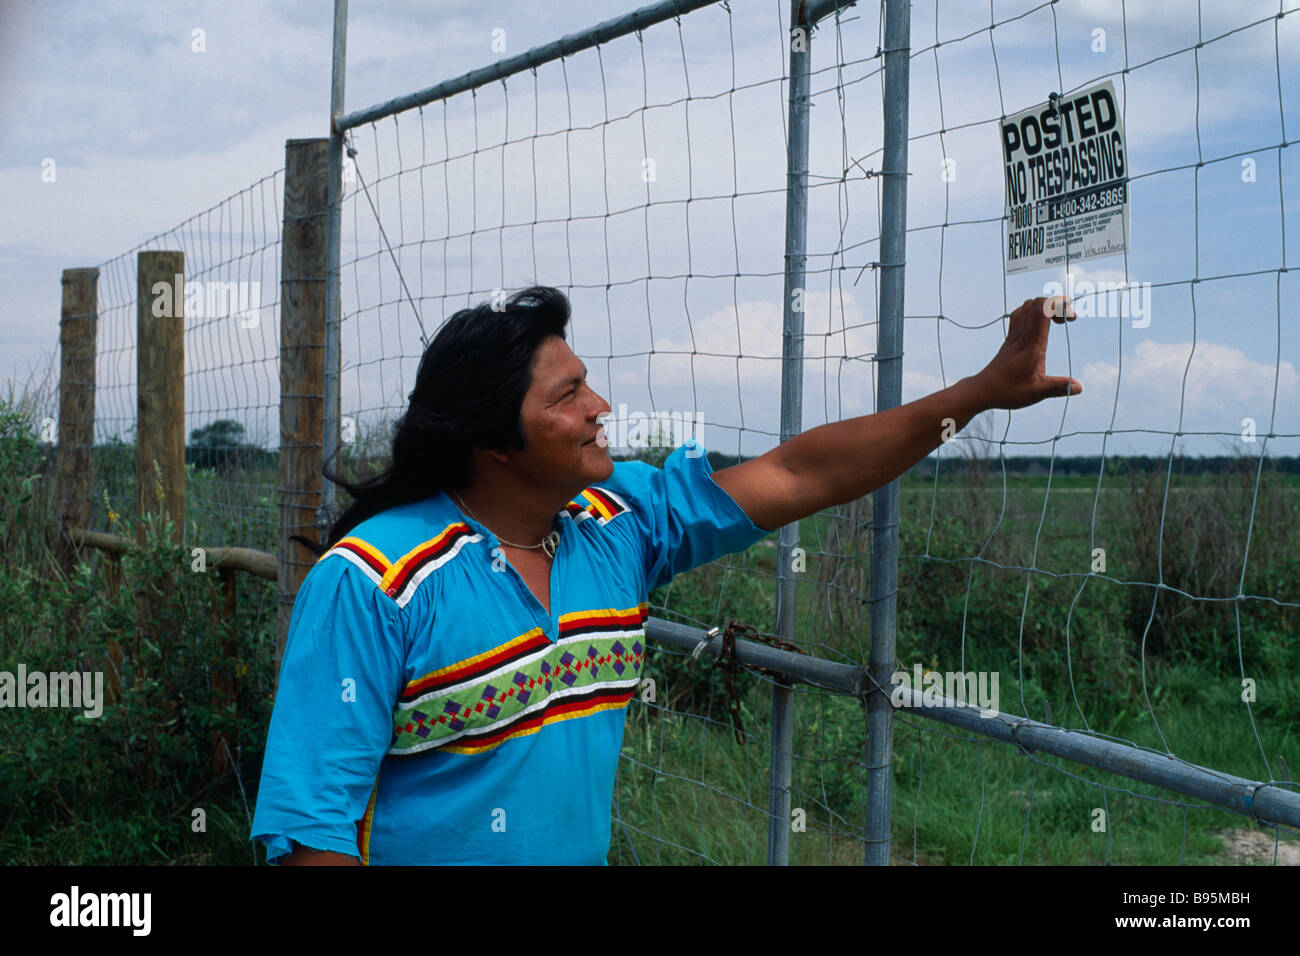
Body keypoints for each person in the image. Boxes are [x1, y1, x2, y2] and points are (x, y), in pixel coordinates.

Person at [250, 286, 1079, 865]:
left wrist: (977, 392)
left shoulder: (620, 526)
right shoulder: (374, 582)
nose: (599, 406)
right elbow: (312, 834)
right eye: (569, 394)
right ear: (494, 441)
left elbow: (798, 475)